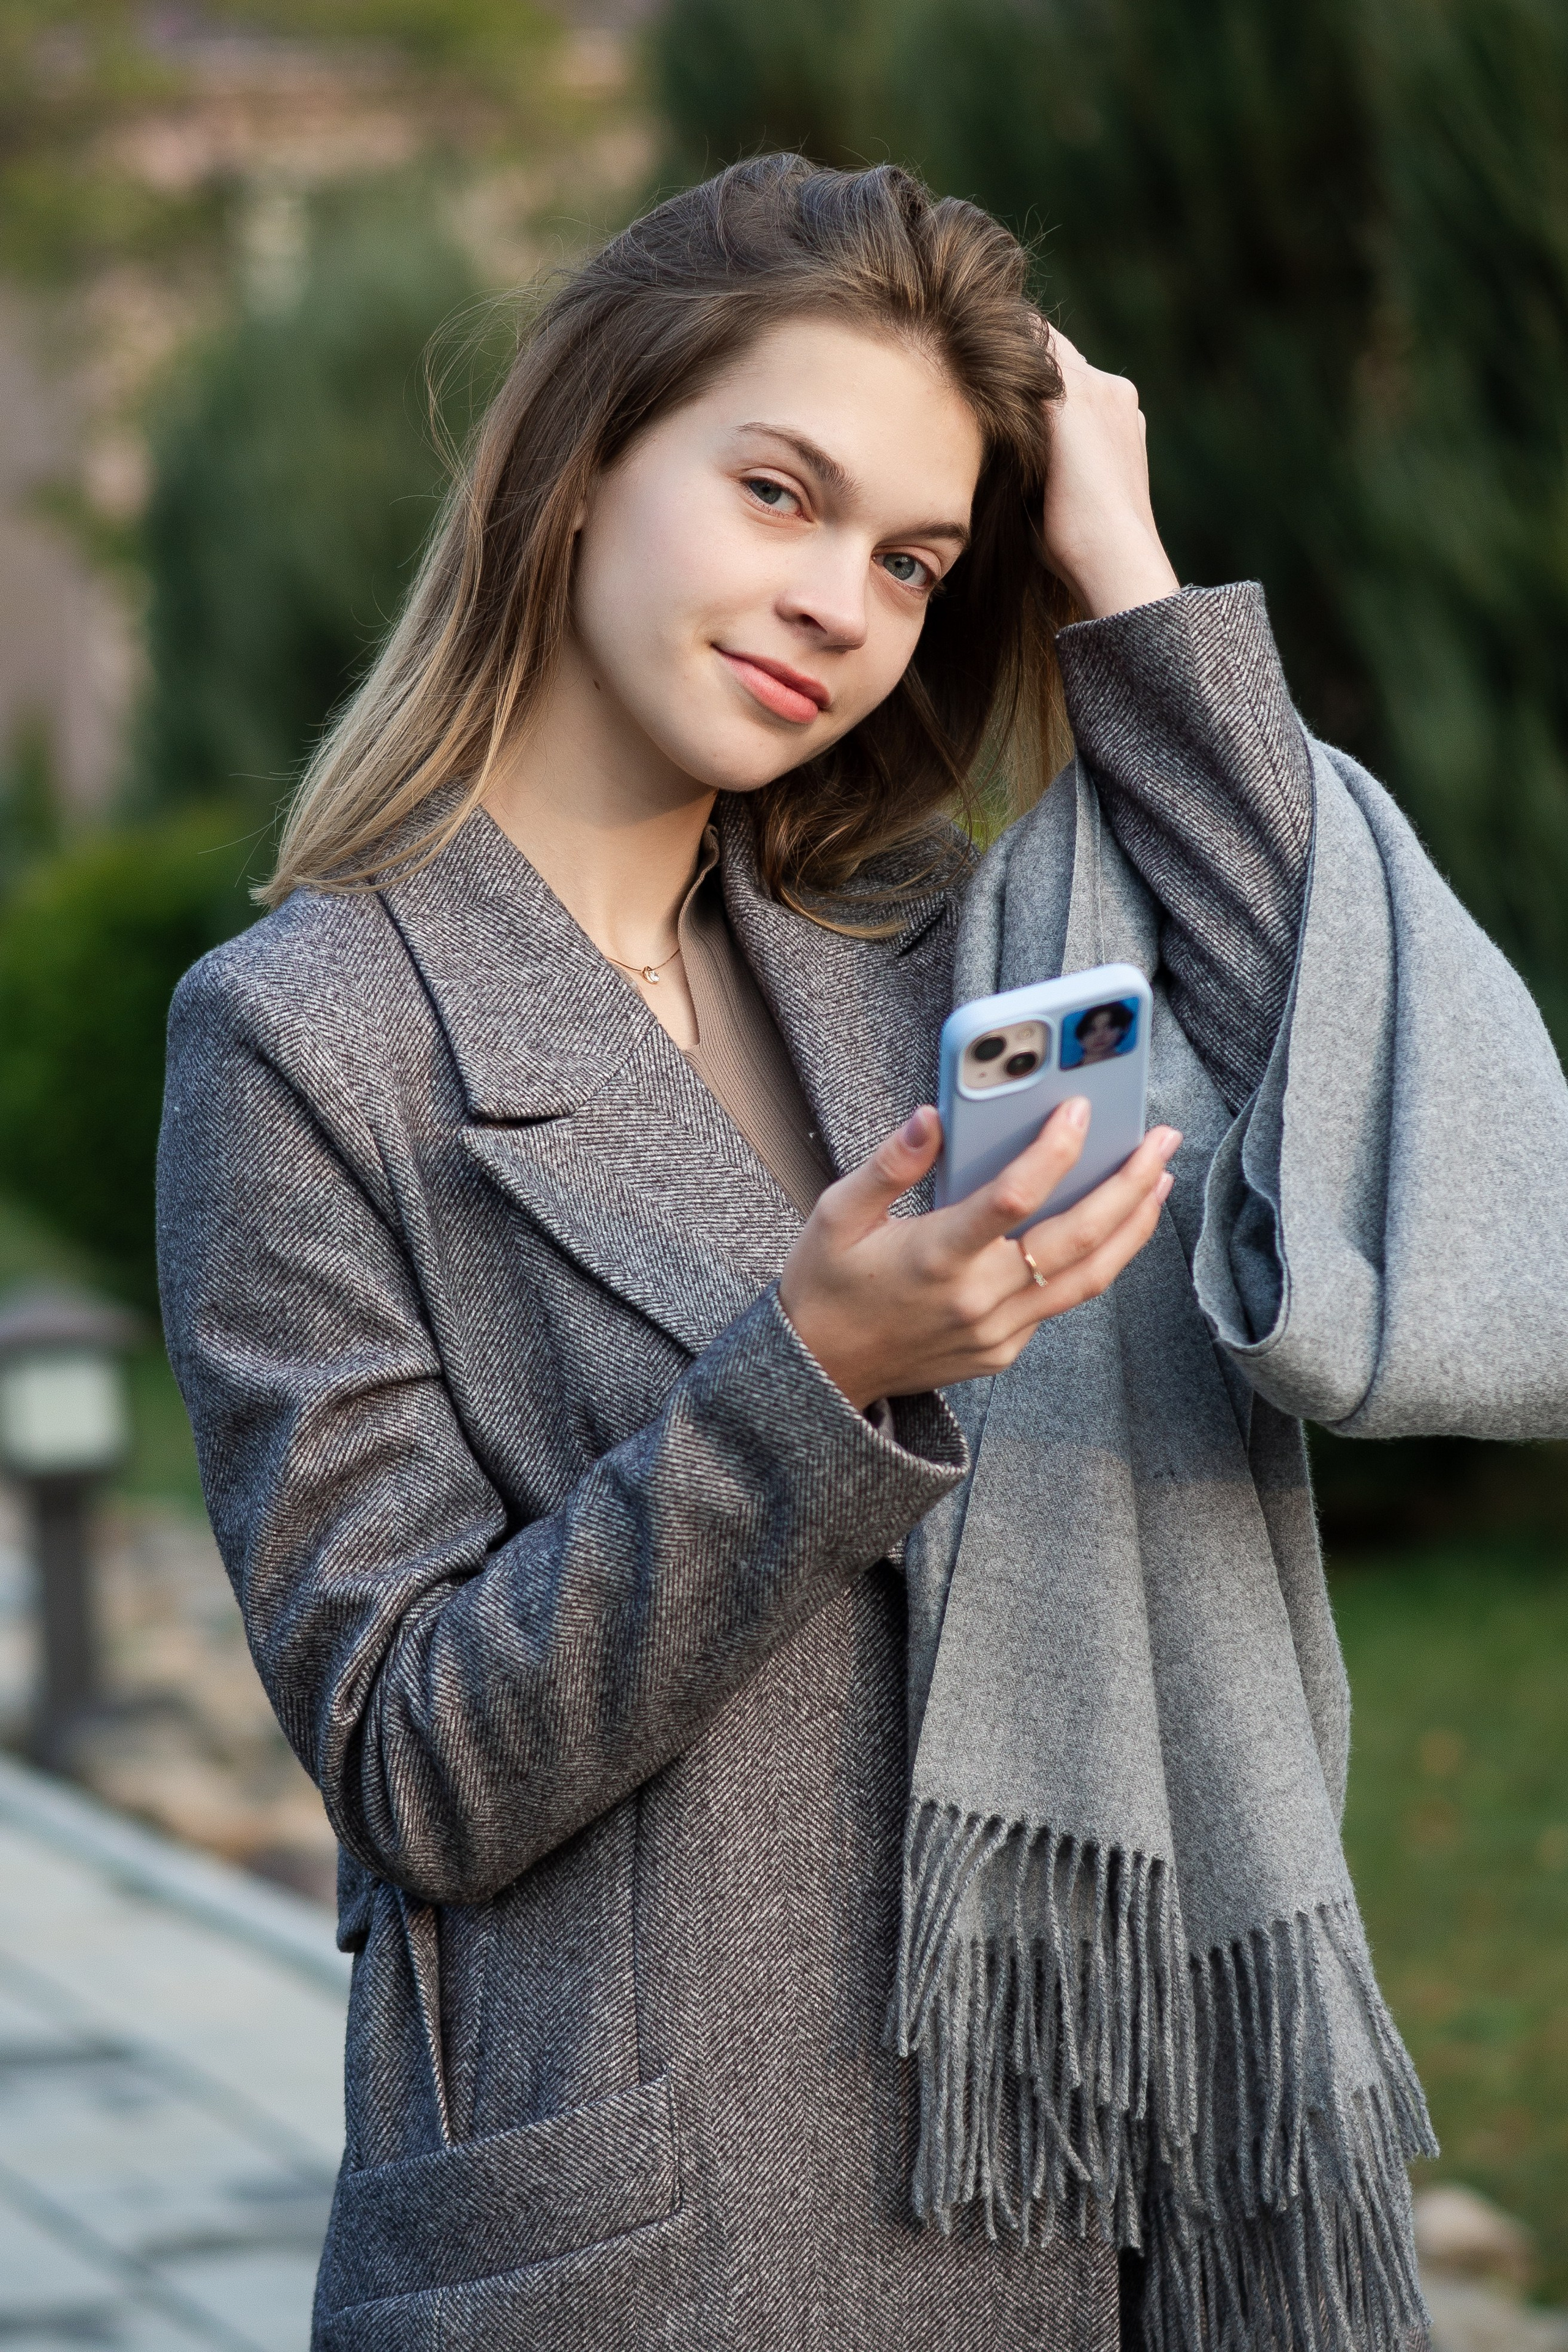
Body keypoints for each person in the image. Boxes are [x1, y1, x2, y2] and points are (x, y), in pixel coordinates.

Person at [156, 156, 1537, 2352]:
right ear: (586, 461)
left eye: (909, 559)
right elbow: (416, 1757)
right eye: (780, 494)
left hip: (1082, 2160)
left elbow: (1374, 1105)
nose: (841, 603)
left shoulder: (923, 951)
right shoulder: (308, 1036)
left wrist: (1123, 571)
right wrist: (808, 1375)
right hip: (659, 2236)